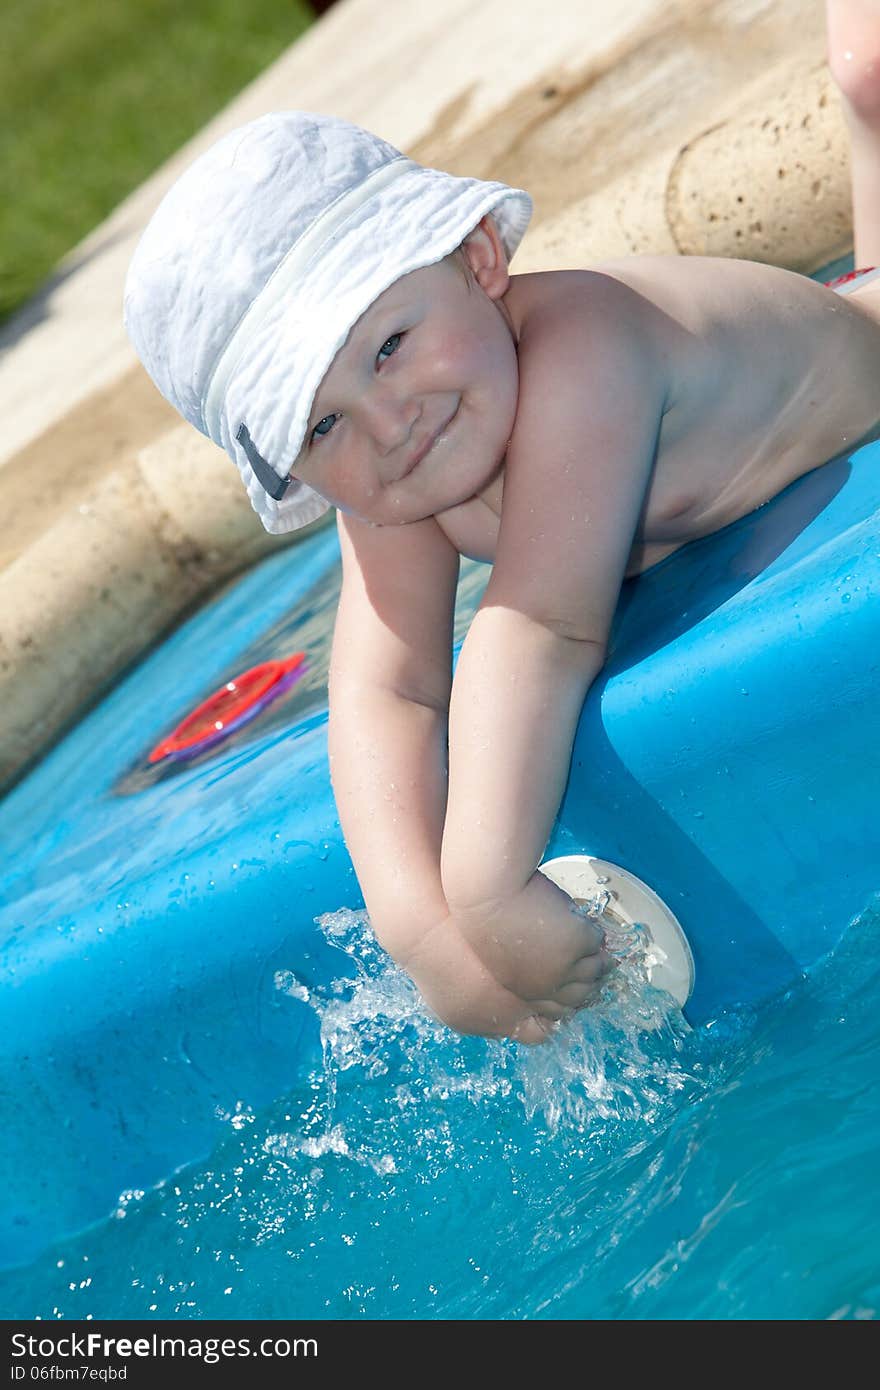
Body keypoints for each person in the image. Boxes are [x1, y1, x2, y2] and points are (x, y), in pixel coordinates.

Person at [124, 4, 880, 1044]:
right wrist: (421, 933)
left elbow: (540, 626)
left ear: (479, 261)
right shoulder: (398, 467)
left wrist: (482, 887)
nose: (389, 423)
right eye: (321, 423)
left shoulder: (581, 355)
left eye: (389, 345)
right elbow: (385, 688)